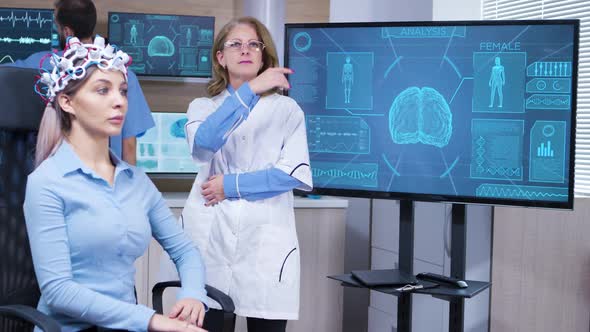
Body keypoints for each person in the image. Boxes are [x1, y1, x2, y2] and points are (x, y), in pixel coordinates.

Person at [24, 35, 207, 332]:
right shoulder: (47, 182)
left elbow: (185, 250)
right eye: (102, 90)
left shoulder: (137, 182)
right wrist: (150, 320)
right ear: (67, 102)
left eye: (122, 91)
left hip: (126, 326)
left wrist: (194, 294)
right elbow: (58, 291)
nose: (119, 100)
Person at [181, 16, 312, 332]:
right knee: (207, 322)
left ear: (264, 55)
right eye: (235, 44)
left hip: (264, 244)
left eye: (255, 44)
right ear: (220, 58)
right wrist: (250, 90)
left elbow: (292, 174)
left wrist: (231, 184)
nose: (246, 50)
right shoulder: (202, 107)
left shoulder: (286, 110)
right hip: (210, 236)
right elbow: (204, 144)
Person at [4, 0, 153, 164]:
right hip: (106, 176)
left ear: (66, 31)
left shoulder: (41, 64)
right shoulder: (122, 74)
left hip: (58, 172)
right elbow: (129, 146)